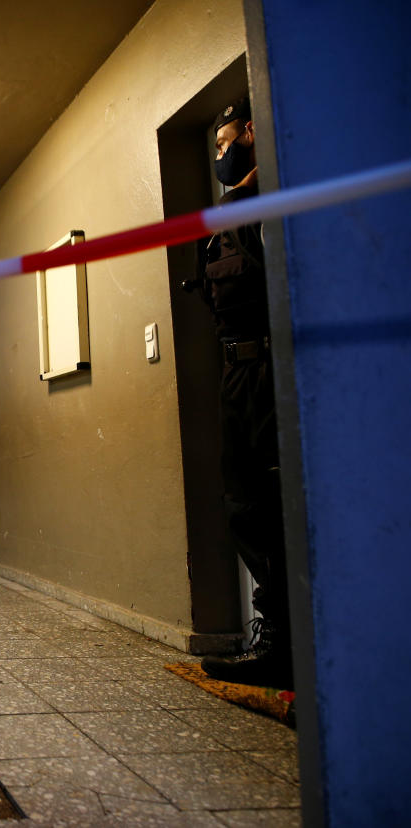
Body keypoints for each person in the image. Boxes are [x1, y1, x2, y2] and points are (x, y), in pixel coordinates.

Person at [188, 98, 293, 689]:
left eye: (226, 141)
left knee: (265, 504)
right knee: (245, 503)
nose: (221, 153)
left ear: (252, 132)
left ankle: (282, 645)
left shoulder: (269, 199)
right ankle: (277, 635)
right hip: (240, 374)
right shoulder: (232, 211)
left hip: (272, 372)